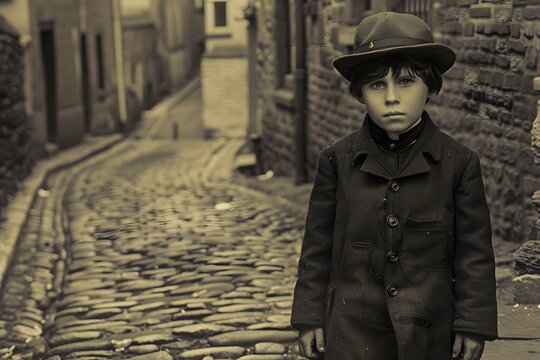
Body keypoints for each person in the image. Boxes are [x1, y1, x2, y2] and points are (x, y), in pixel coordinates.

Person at [290, 11, 498, 360]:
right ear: (359, 94)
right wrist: (310, 318)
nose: (391, 98)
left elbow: (474, 254)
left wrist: (472, 324)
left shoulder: (459, 163)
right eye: (376, 85)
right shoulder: (337, 160)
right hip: (354, 332)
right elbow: (317, 247)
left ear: (430, 87)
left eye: (405, 82)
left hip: (429, 332)